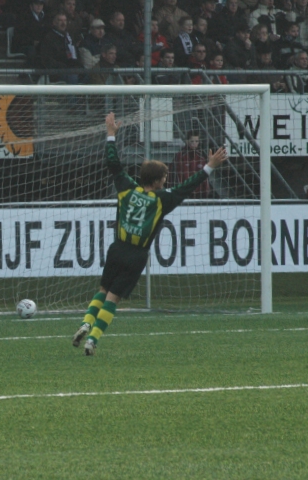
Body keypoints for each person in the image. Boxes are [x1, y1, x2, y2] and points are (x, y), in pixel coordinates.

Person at [71, 112, 228, 356]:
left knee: (103, 290)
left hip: (117, 248)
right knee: (113, 299)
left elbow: (114, 164)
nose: (166, 182)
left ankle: (85, 322)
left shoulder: (126, 187)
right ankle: (93, 340)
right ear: (156, 181)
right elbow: (188, 186)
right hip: (136, 255)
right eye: (164, 178)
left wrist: (111, 134)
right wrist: (209, 167)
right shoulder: (162, 200)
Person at [40, 12, 82, 84]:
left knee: (90, 75)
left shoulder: (69, 37)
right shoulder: (49, 38)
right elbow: (47, 59)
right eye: (60, 20)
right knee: (72, 77)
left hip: (72, 69)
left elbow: (76, 55)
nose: (63, 23)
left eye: (65, 20)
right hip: (57, 72)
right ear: (54, 22)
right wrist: (65, 67)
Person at [169, 132, 211, 198]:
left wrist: (206, 191)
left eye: (196, 141)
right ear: (187, 141)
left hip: (198, 194)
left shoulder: (201, 157)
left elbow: (205, 177)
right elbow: (175, 175)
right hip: (183, 194)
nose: (194, 143)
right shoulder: (180, 156)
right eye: (192, 141)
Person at [11, 0, 48, 66]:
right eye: (36, 4)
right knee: (32, 50)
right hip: (24, 46)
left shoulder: (46, 18)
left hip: (41, 45)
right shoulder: (23, 17)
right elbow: (18, 36)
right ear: (31, 6)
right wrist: (32, 42)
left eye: (41, 4)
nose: (39, 6)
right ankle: (30, 72)